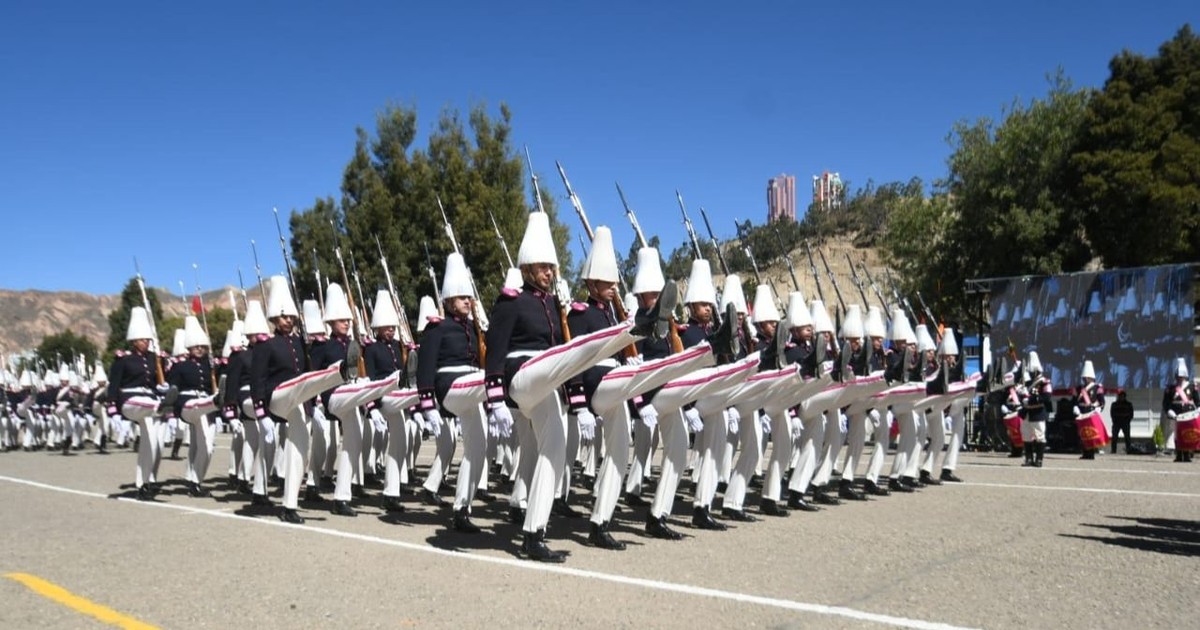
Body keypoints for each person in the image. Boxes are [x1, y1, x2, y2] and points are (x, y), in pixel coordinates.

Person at [484, 211, 674, 562]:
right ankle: (640, 325)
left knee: (554, 449)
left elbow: (566, 360)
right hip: (523, 374)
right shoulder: (512, 301)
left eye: (551, 267)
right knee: (573, 352)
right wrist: (495, 399)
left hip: (551, 379)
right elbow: (495, 349)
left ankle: (533, 533)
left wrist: (575, 400)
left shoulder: (552, 306)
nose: (549, 272)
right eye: (542, 266)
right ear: (527, 268)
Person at [250, 275, 357, 524]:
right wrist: (261, 414)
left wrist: (315, 405)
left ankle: (289, 505)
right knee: (299, 382)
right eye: (285, 316)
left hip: (298, 399)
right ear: (276, 318)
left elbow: (308, 374)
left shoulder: (300, 342)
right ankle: (340, 370)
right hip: (277, 396)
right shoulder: (267, 345)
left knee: (299, 449)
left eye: (292, 317)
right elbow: (257, 380)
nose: (290, 320)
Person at [108, 306, 177, 500]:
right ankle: (162, 407)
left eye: (147, 339)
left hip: (150, 403)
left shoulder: (156, 359)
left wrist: (163, 383)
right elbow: (114, 385)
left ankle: (143, 484)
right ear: (133, 341)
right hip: (130, 401)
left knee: (151, 445)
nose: (145, 342)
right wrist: (113, 411)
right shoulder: (123, 360)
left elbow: (160, 382)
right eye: (141, 340)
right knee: (149, 406)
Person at [1019, 351, 1052, 468]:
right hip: (1027, 413)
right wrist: (1022, 395)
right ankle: (1028, 458)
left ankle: (1038, 460)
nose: (1031, 373)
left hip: (1037, 413)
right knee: (1026, 435)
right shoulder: (1027, 383)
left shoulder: (1044, 382)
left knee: (1039, 436)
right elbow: (1022, 396)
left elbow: (1046, 397)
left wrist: (1031, 400)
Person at [1163, 359, 1197, 463]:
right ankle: (1179, 454)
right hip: (1176, 414)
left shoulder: (1192, 387)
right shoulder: (1171, 388)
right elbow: (1166, 402)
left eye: (1181, 376)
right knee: (1177, 434)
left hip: (1188, 415)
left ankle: (1186, 455)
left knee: (1187, 434)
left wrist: (1197, 411)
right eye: (1178, 376)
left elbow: (1197, 401)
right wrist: (1169, 411)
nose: (1179, 378)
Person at [1073, 360, 1107, 460]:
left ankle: (1091, 453)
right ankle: (1085, 452)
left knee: (1091, 433)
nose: (1086, 379)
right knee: (1083, 434)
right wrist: (1075, 407)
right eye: (1085, 378)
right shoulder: (1079, 388)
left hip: (1091, 413)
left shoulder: (1097, 387)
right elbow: (1074, 401)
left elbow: (1102, 401)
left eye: (1087, 378)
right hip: (1081, 413)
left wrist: (1099, 409)